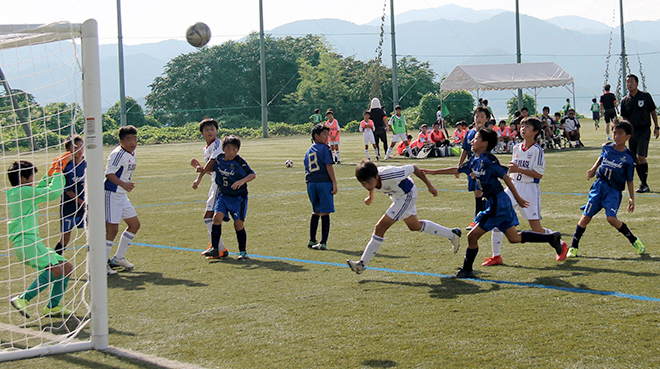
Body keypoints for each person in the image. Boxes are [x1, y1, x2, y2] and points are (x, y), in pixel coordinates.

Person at [423, 128, 563, 278]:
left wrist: (519, 198)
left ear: (484, 143)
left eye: (475, 139)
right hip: (497, 203)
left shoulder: (488, 160)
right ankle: (551, 238)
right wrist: (432, 172)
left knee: (472, 237)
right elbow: (457, 169)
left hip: (498, 204)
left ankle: (467, 270)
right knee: (514, 238)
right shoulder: (475, 160)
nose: (472, 141)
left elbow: (506, 177)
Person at [346, 160, 462, 274]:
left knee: (380, 227)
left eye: (368, 182)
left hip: (407, 195)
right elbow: (372, 186)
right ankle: (452, 234)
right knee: (414, 226)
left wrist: (429, 186)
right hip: (397, 197)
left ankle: (362, 264)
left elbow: (414, 168)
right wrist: (371, 196)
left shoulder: (391, 174)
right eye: (363, 183)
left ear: (376, 176)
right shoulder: (372, 179)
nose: (366, 186)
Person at [483, 118, 568, 266]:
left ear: (535, 132)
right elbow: (513, 169)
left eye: (527, 127)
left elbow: (539, 174)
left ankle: (560, 243)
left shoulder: (537, 150)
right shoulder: (516, 147)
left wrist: (518, 169)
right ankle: (496, 256)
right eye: (522, 126)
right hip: (513, 187)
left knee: (535, 228)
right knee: (497, 217)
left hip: (528, 189)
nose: (523, 129)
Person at [567, 119, 645, 257]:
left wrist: (632, 198)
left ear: (628, 137)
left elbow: (630, 180)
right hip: (599, 187)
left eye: (620, 133)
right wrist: (593, 169)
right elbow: (601, 157)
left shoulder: (628, 157)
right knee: (585, 218)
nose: (616, 136)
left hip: (614, 191)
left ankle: (634, 240)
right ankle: (574, 247)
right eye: (614, 133)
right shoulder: (607, 147)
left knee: (611, 219)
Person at [7, 161, 74, 318]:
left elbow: (38, 190)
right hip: (26, 242)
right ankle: (23, 299)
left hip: (30, 242)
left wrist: (48, 175)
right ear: (23, 179)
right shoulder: (23, 191)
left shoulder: (20, 191)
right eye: (31, 177)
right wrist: (58, 173)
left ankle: (52, 307)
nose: (33, 181)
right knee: (56, 269)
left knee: (66, 267)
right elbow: (53, 193)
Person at [193, 135, 256, 260]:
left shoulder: (239, 162)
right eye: (228, 148)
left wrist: (242, 181)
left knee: (238, 224)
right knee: (217, 218)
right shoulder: (219, 159)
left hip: (239, 198)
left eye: (234, 149)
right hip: (223, 196)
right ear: (223, 149)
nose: (231, 152)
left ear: (238, 150)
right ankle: (215, 249)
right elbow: (210, 169)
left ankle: (243, 252)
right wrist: (200, 169)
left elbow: (252, 175)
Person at [105, 125, 140, 275]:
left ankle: (118, 258)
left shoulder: (132, 153)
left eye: (135, 139)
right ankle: (102, 263)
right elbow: (109, 174)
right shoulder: (117, 154)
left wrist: (124, 186)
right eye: (129, 140)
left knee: (134, 225)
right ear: (121, 141)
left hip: (121, 195)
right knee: (112, 230)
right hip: (111, 194)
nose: (133, 142)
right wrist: (123, 184)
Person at [190, 118, 227, 256]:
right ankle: (218, 247)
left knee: (209, 216)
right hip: (215, 182)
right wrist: (201, 168)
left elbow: (213, 161)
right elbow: (212, 168)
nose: (210, 132)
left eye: (212, 129)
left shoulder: (218, 144)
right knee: (210, 217)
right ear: (202, 133)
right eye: (206, 130)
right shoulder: (205, 149)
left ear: (217, 131)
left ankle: (218, 248)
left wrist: (198, 179)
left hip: (220, 183)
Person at [620, 74, 659, 193]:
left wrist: (657, 127)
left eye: (631, 81)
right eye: (627, 82)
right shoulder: (625, 100)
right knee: (634, 159)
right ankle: (643, 184)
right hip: (632, 133)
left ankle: (644, 183)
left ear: (637, 83)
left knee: (640, 156)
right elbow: (624, 118)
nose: (629, 84)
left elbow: (653, 111)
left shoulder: (645, 96)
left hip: (644, 130)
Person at [303, 123, 338, 250]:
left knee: (316, 211)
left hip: (311, 183)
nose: (327, 137)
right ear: (316, 136)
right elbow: (329, 165)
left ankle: (312, 240)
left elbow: (306, 165)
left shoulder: (309, 150)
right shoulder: (325, 148)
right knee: (325, 212)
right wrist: (334, 182)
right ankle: (323, 242)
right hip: (323, 182)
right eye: (324, 134)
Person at [458, 107, 490, 230]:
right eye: (477, 116)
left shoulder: (487, 134)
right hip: (471, 168)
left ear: (487, 119)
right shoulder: (469, 133)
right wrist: (460, 165)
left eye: (482, 116)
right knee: (477, 193)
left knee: (479, 192)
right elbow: (465, 150)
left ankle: (478, 221)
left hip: (481, 168)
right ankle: (483, 219)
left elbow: (488, 152)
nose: (479, 119)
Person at [54, 135, 86, 255]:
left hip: (84, 206)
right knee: (65, 237)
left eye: (81, 146)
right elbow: (68, 191)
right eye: (76, 147)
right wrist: (82, 202)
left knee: (94, 234)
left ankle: (103, 260)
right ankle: (55, 260)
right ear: (69, 150)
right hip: (69, 207)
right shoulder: (66, 167)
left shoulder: (86, 165)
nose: (80, 149)